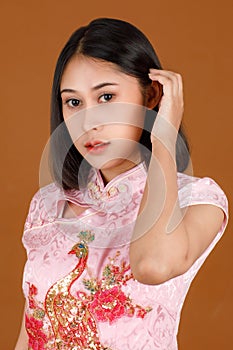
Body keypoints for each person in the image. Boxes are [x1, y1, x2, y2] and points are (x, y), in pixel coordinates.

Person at [15, 18, 228, 350]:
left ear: (151, 95)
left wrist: (164, 138)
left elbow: (153, 265)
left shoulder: (198, 199)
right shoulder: (49, 204)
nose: (89, 122)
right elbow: (32, 329)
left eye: (106, 97)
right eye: (73, 102)